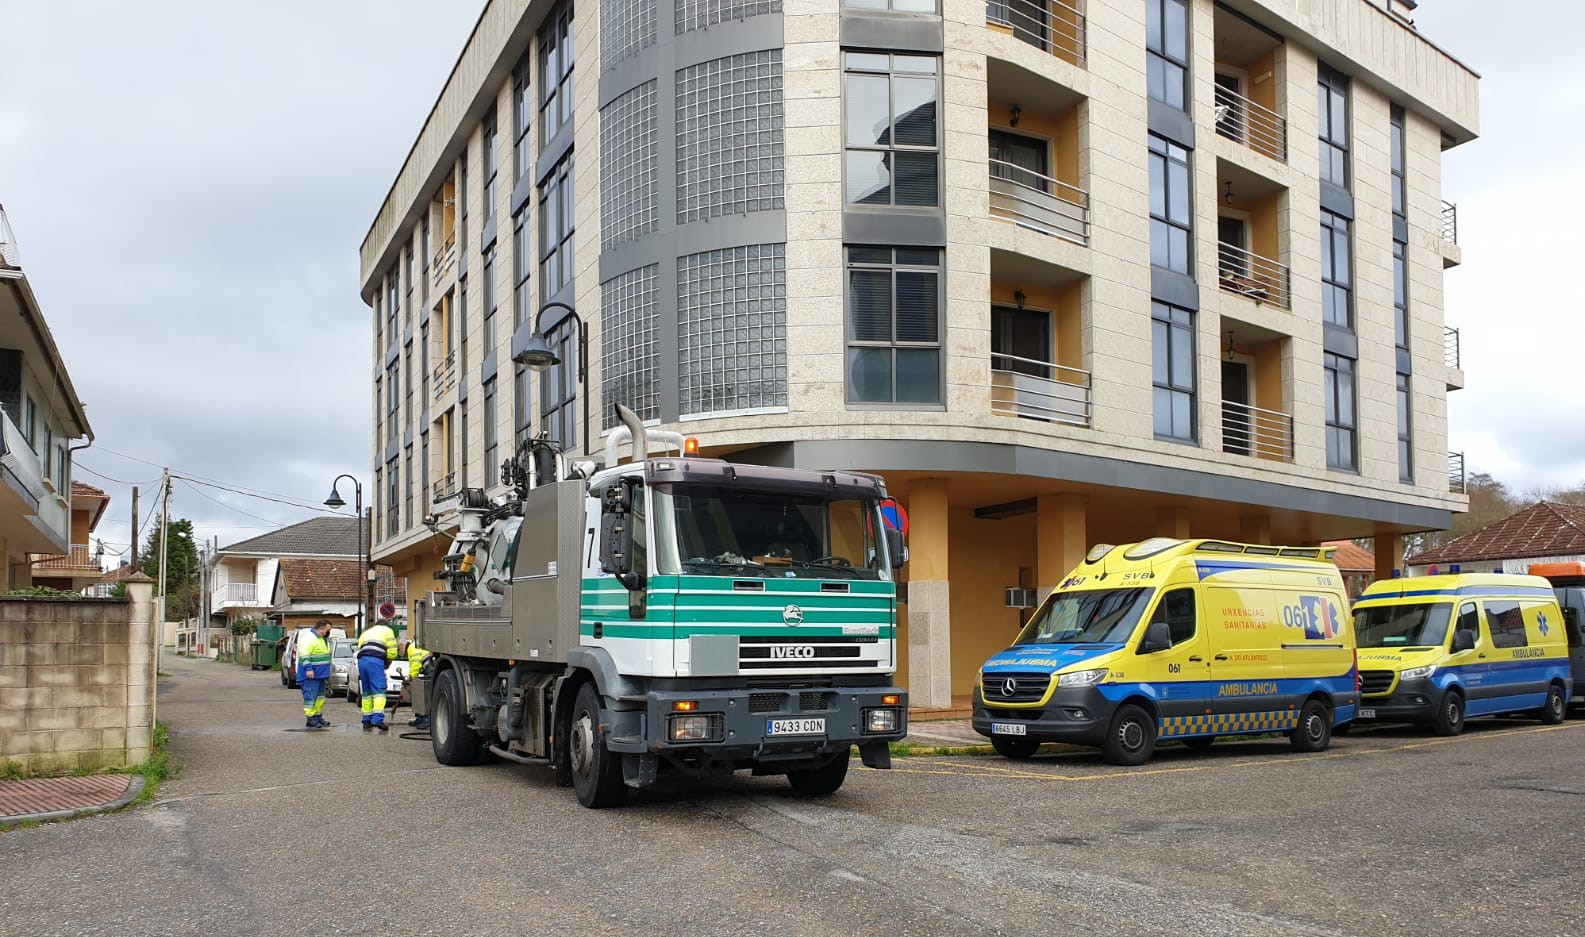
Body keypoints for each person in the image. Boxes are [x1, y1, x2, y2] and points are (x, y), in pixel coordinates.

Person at [355, 616, 399, 732]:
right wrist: (389, 660)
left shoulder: (367, 632)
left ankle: (366, 720)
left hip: (362, 661)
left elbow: (360, 647)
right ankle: (377, 719)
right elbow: (392, 650)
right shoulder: (388, 631)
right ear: (386, 625)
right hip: (375, 660)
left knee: (367, 692)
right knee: (379, 690)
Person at [296, 619, 334, 730]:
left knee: (320, 698)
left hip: (320, 675)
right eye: (327, 630)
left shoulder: (321, 639)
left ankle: (317, 717)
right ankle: (310, 718)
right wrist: (308, 669)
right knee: (310, 696)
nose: (328, 633)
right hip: (311, 675)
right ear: (321, 628)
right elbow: (304, 655)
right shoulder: (309, 638)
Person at [404, 638, 432, 730]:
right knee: (420, 694)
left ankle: (427, 720)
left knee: (426, 695)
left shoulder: (412, 647)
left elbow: (415, 664)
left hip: (429, 667)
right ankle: (420, 718)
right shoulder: (415, 645)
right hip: (428, 666)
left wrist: (411, 677)